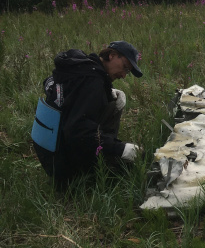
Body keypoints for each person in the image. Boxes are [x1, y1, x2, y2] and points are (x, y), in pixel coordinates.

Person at [33, 40, 143, 187]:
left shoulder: (80, 67)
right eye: (124, 67)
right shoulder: (92, 82)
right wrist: (121, 149)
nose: (123, 75)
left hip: (49, 151)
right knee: (124, 170)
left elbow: (50, 84)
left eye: (127, 72)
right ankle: (98, 163)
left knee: (116, 99)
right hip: (63, 167)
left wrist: (105, 93)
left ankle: (104, 151)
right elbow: (78, 133)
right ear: (112, 55)